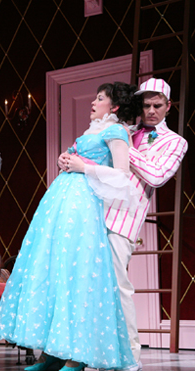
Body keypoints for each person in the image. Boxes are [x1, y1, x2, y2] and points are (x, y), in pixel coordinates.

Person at [0, 82, 143, 371]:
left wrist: (83, 167)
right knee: (56, 272)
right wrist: (64, 159)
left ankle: (77, 356)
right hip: (61, 205)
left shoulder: (116, 131)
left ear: (115, 106)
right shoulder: (90, 131)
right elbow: (77, 157)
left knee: (78, 275)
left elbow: (122, 175)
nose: (93, 103)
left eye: (99, 99)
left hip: (85, 209)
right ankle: (53, 354)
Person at [102, 78, 188, 371]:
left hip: (124, 218)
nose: (150, 110)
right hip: (94, 213)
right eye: (146, 105)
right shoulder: (125, 131)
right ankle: (84, 354)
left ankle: (130, 357)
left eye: (157, 105)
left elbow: (157, 175)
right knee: (87, 286)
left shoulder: (175, 141)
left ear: (168, 106)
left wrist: (123, 146)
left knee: (118, 287)